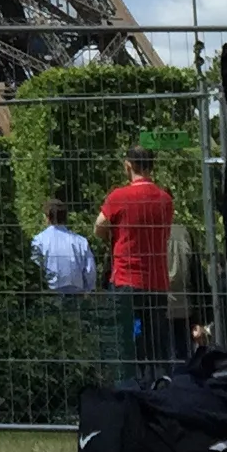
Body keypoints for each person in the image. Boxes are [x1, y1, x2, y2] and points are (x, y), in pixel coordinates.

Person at [94, 147, 175, 370]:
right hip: (156, 282)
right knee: (155, 339)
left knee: (126, 338)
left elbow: (99, 226)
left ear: (128, 165)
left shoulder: (119, 196)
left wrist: (113, 237)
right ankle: (159, 381)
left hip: (126, 278)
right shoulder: (165, 200)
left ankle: (131, 383)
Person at [31, 197, 98, 296]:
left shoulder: (39, 240)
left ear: (47, 217)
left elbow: (36, 267)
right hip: (76, 293)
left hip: (49, 293)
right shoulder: (80, 241)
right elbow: (90, 270)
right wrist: (89, 289)